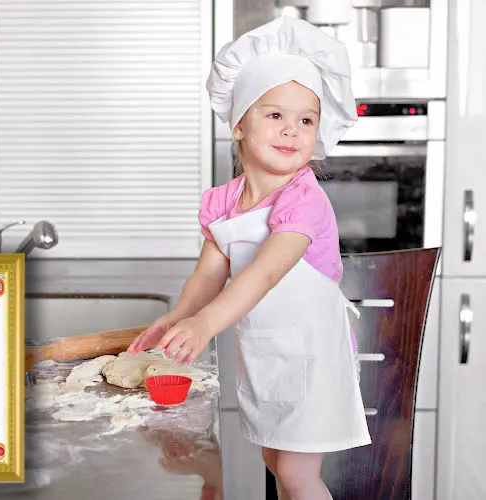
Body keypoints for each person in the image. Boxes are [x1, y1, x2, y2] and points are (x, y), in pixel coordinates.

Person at [127, 16, 371, 500]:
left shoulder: (303, 199)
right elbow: (210, 272)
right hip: (265, 353)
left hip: (314, 358)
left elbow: (265, 272)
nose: (292, 131)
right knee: (276, 462)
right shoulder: (223, 201)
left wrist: (205, 326)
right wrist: (181, 314)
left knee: (300, 475)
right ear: (239, 124)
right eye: (274, 115)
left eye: (306, 120)